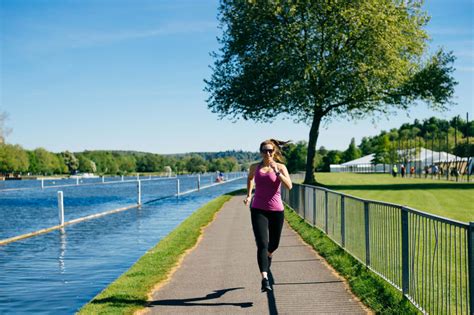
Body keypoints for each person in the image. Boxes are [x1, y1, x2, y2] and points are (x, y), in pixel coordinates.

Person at [244, 139, 293, 292]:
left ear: (274, 152)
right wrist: (249, 195)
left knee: (273, 245)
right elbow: (250, 179)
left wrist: (277, 172)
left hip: (276, 210)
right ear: (260, 152)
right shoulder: (255, 167)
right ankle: (265, 279)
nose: (268, 153)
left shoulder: (280, 167)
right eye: (265, 150)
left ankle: (269, 256)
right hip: (258, 209)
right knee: (262, 244)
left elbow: (289, 186)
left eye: (270, 150)